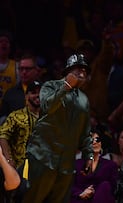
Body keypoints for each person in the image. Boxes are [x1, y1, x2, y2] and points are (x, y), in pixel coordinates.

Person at [23, 53, 94, 203]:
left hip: (66, 163)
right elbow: (47, 106)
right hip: (43, 157)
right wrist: (66, 87)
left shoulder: (84, 99)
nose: (82, 73)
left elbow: (85, 132)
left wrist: (89, 155)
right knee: (32, 199)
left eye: (84, 71)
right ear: (67, 71)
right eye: (77, 70)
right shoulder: (50, 86)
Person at [0, 81, 41, 168]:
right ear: (26, 96)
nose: (38, 95)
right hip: (20, 166)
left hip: (42, 168)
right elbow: (3, 136)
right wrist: (8, 160)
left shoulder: (48, 116)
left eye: (40, 92)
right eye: (33, 93)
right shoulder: (16, 116)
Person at [71, 129, 118, 203]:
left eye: (97, 139)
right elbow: (70, 186)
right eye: (91, 140)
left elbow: (114, 188)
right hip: (80, 199)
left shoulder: (110, 165)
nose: (95, 142)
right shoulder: (76, 164)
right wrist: (81, 193)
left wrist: (94, 191)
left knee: (105, 185)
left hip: (101, 199)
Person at [0, 52, 42, 122]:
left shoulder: (45, 91)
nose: (24, 72)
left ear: (36, 70)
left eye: (27, 69)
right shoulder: (10, 94)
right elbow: (3, 119)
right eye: (21, 69)